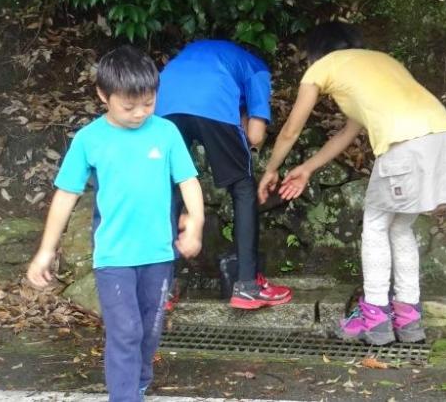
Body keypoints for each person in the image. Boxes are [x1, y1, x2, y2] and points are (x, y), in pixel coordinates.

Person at [257, 22, 446, 345]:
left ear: (316, 53)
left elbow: (290, 131)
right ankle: (408, 317)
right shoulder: (378, 63)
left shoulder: (322, 67)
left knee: (376, 226)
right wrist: (307, 168)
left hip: (404, 143)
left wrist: (271, 168)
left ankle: (374, 315)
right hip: (442, 136)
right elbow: (346, 134)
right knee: (400, 228)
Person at [27, 45, 204, 402]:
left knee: (149, 330)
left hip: (158, 252)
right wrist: (45, 251)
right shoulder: (89, 139)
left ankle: (138, 379)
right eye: (129, 106)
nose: (140, 113)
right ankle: (124, 396)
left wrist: (196, 222)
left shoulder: (166, 133)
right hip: (113, 255)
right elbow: (65, 195)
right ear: (103, 95)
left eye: (148, 103)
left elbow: (188, 181)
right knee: (125, 330)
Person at [156, 39, 291, 310]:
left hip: (163, 101)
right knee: (243, 188)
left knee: (167, 190)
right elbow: (254, 134)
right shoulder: (258, 69)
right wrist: (247, 143)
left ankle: (162, 288)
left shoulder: (197, 54)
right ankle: (247, 286)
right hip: (213, 100)